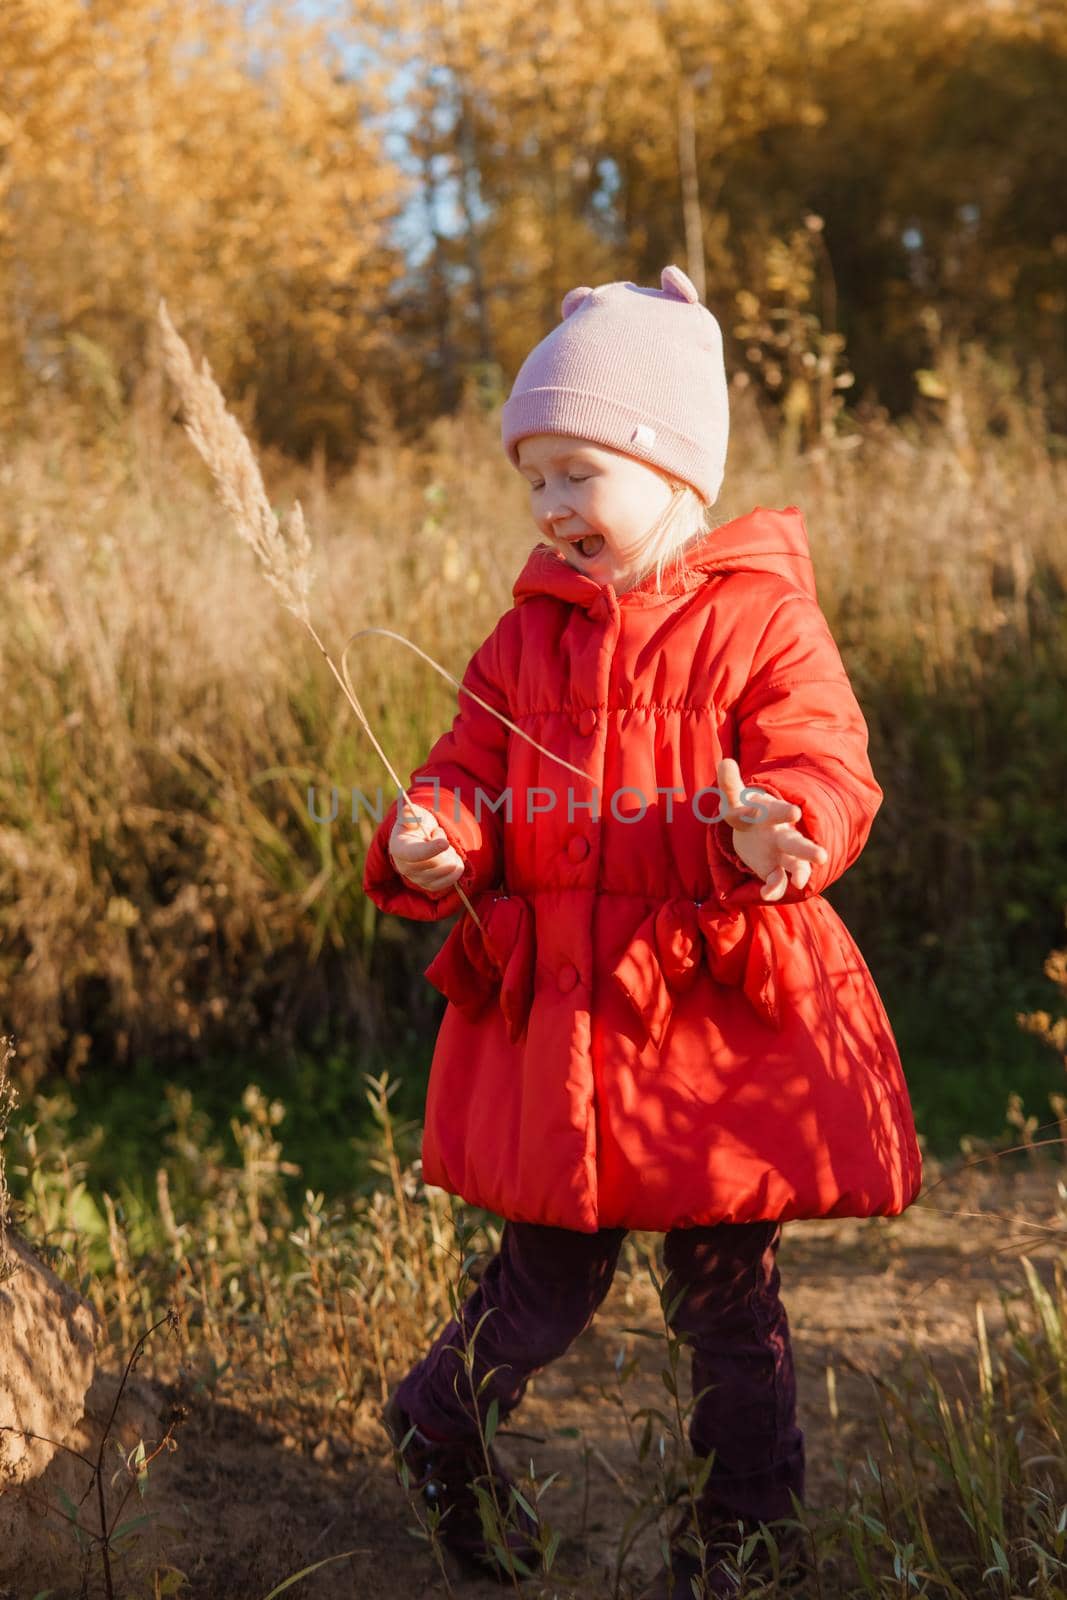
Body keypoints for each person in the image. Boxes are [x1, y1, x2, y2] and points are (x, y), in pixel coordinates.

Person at [363, 264, 923, 1597]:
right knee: (541, 1285)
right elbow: (468, 774)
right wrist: (436, 834)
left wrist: (779, 826)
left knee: (727, 1299)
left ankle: (743, 1539)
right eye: (535, 481)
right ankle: (438, 1430)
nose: (553, 508)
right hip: (567, 1020)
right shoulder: (524, 639)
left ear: (673, 469)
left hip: (709, 1020)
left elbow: (824, 760)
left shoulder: (761, 617)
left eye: (577, 472)